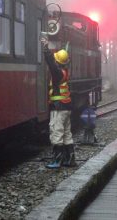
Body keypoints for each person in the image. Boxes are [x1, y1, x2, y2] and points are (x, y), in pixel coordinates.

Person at [41, 37, 76, 169]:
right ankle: (70, 159)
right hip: (66, 107)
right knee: (67, 133)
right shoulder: (65, 72)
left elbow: (50, 63)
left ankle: (57, 160)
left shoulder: (57, 73)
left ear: (57, 62)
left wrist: (46, 48)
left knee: (56, 132)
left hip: (59, 108)